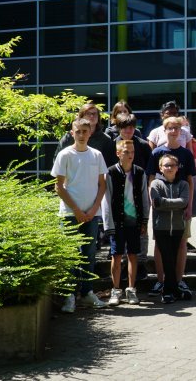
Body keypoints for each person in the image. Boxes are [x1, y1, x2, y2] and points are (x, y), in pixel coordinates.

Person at [54, 118, 109, 313]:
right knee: (70, 256)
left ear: (90, 132)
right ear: (72, 132)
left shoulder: (96, 155)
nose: (82, 135)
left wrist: (93, 210)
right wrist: (77, 211)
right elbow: (59, 187)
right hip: (70, 214)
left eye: (85, 131)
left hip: (91, 214)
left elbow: (102, 185)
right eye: (78, 131)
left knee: (89, 255)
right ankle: (69, 296)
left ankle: (87, 293)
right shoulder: (65, 155)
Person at [145, 116, 196, 300]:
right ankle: (161, 280)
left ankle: (178, 279)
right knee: (160, 244)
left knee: (182, 243)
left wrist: (189, 205)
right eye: (170, 128)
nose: (174, 131)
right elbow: (151, 177)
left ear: (181, 131)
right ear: (164, 131)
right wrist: (154, 199)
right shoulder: (157, 152)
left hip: (181, 208)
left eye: (177, 128)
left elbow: (191, 181)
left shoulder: (186, 154)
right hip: (160, 209)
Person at [101, 140, 149, 306]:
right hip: (117, 221)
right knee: (116, 255)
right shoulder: (111, 172)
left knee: (133, 254)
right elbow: (106, 199)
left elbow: (144, 197)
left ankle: (131, 289)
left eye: (132, 152)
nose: (130, 155)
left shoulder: (140, 172)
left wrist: (144, 220)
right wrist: (108, 225)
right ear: (118, 153)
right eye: (126, 152)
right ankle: (115, 290)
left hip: (134, 221)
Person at [149, 154, 191, 304]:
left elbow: (184, 202)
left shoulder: (183, 184)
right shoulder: (156, 184)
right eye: (166, 165)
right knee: (167, 259)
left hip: (178, 226)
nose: (169, 168)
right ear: (160, 168)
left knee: (173, 259)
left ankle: (172, 290)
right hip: (161, 227)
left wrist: (164, 202)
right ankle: (168, 291)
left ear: (177, 167)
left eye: (172, 165)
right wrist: (174, 203)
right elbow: (155, 203)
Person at [54, 103, 117, 168]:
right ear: (81, 117)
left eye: (94, 114)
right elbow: (57, 161)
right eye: (88, 113)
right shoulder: (69, 137)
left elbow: (110, 165)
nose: (92, 116)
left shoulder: (105, 140)